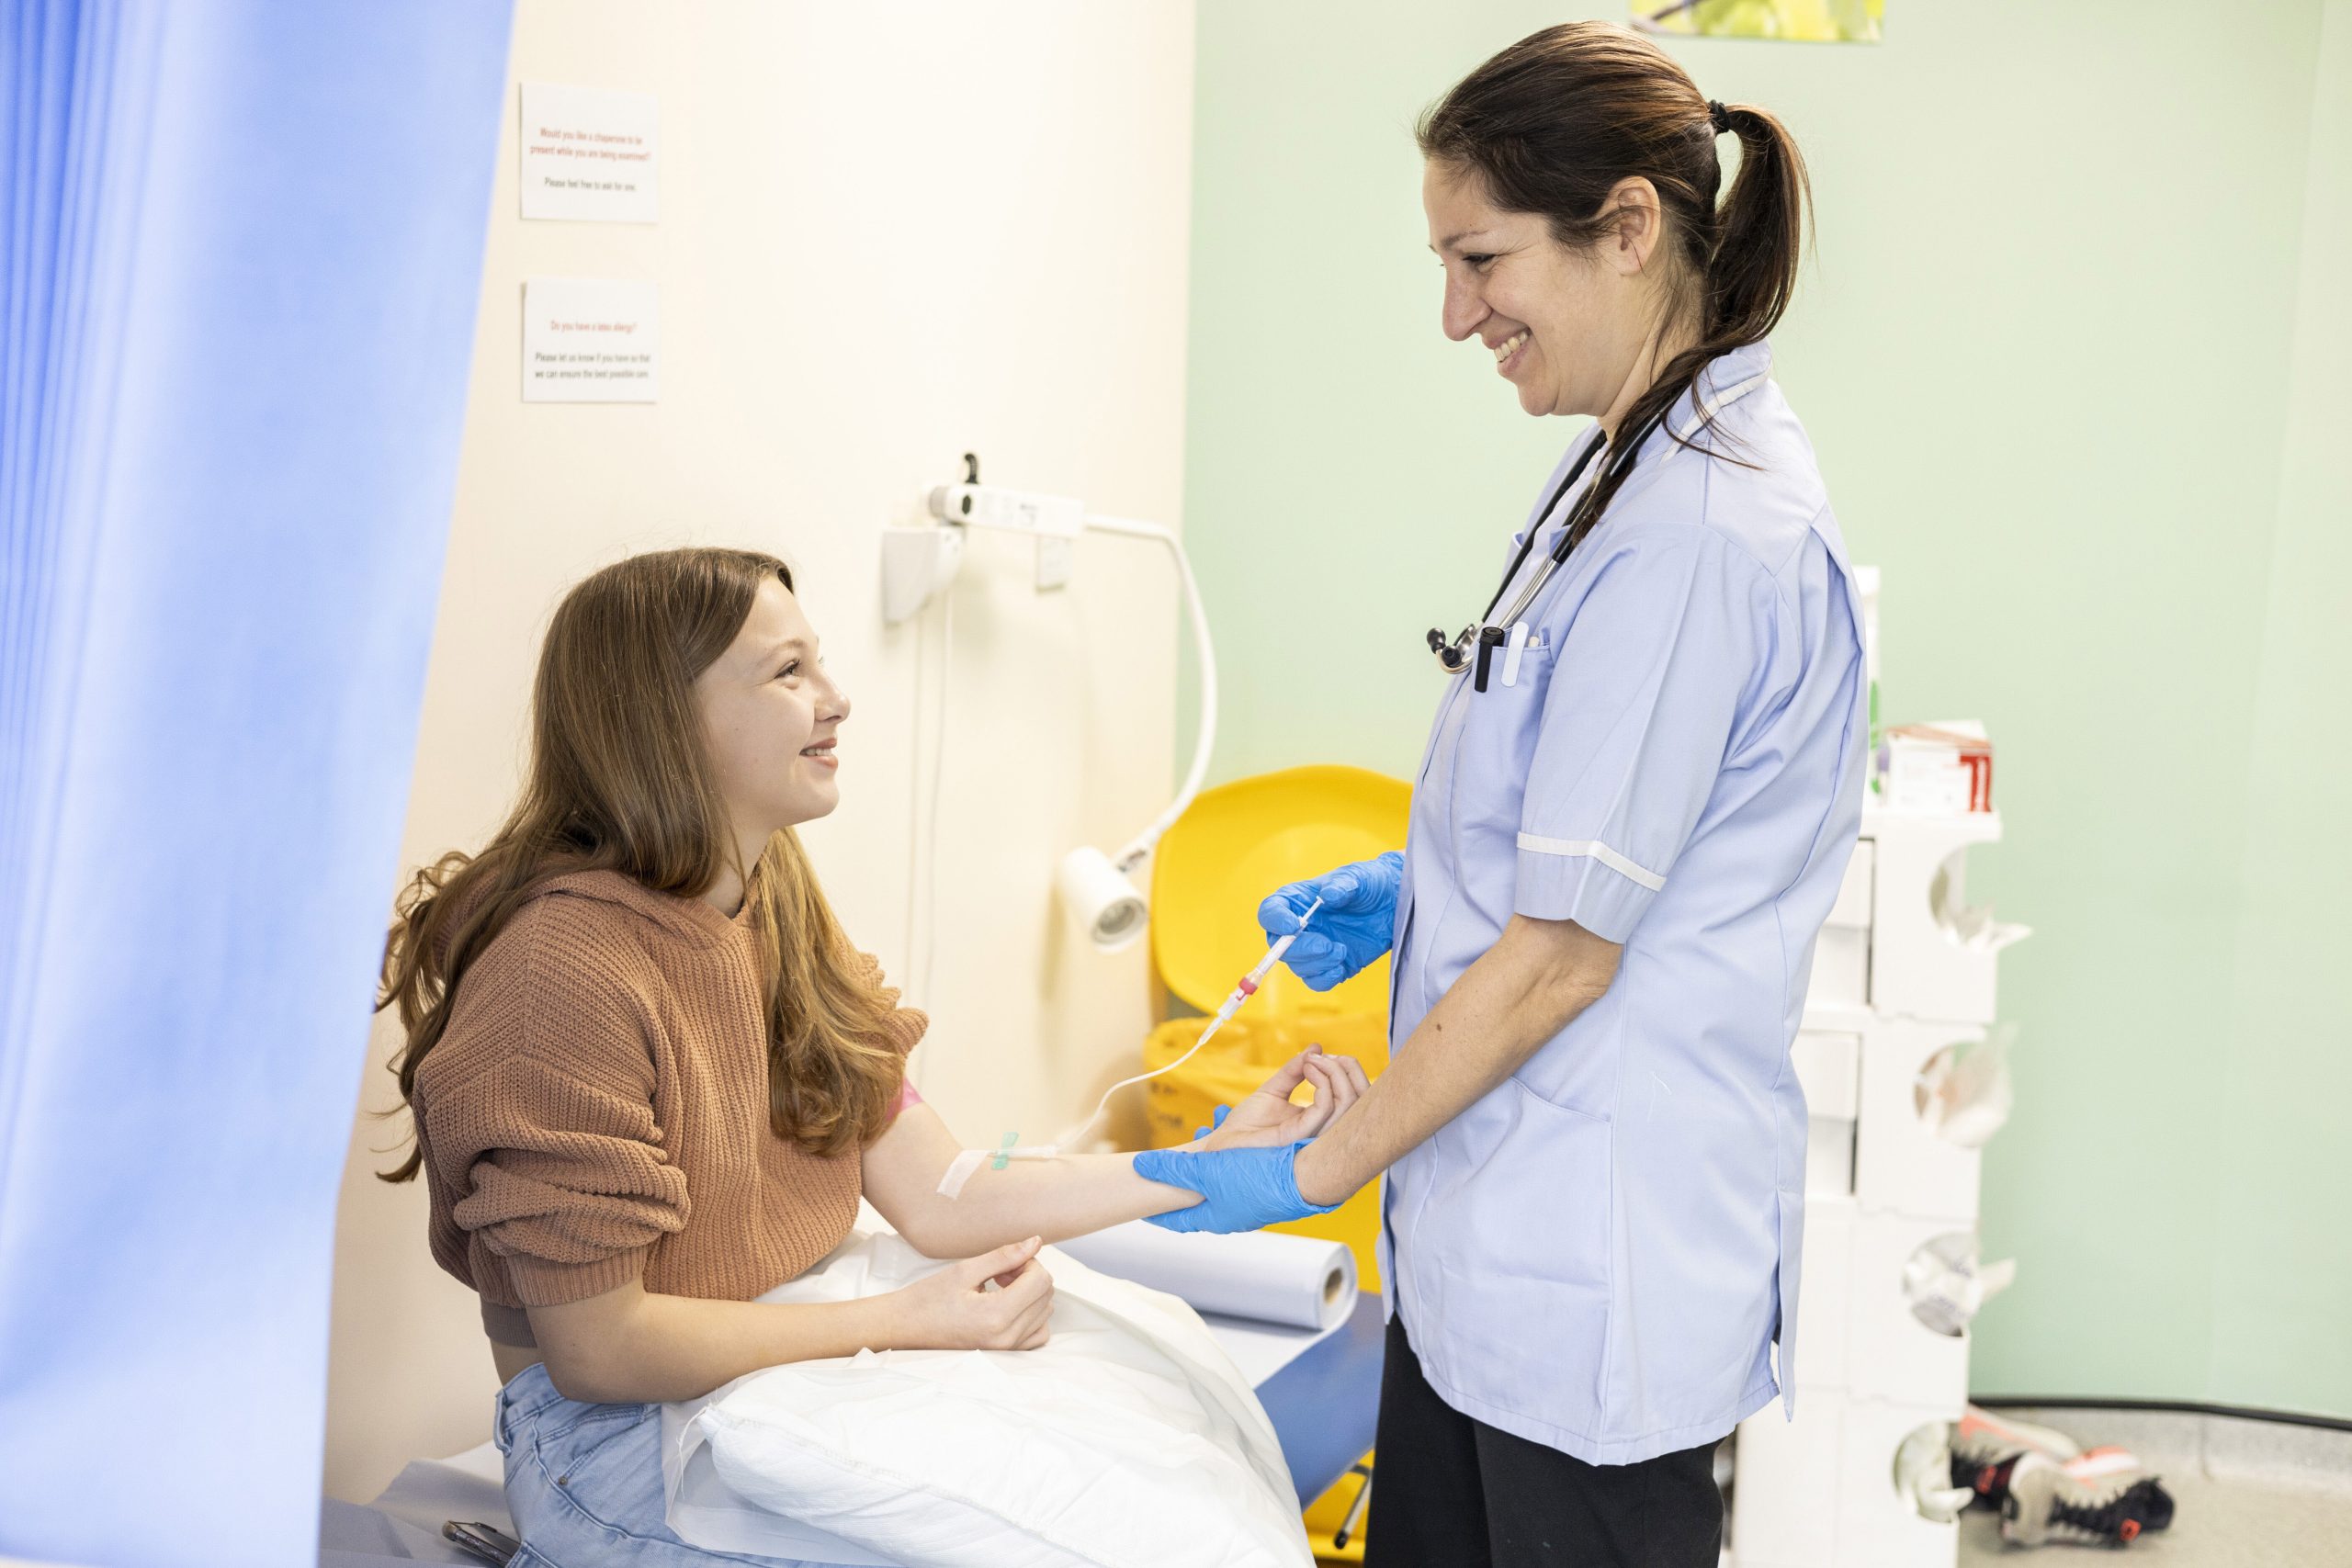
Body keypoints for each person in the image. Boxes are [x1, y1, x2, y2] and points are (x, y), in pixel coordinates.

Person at [1131, 22, 1866, 1567]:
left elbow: (1564, 955)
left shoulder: (1699, 533)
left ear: (1629, 229)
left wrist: (1314, 1165)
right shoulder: (1624, 462)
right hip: (1490, 1249)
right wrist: (1424, 886)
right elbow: (1594, 825)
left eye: (1481, 259)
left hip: (1589, 1280)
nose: (1457, 313)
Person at [377, 547, 1366, 1564]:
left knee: (1176, 1437)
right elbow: (600, 1350)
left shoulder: (773, 898)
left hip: (787, 1361)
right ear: (664, 722)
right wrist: (910, 1321)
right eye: (788, 671)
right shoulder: (562, 975)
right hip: (621, 1444)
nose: (837, 699)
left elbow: (943, 1192)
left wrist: (1198, 1169)